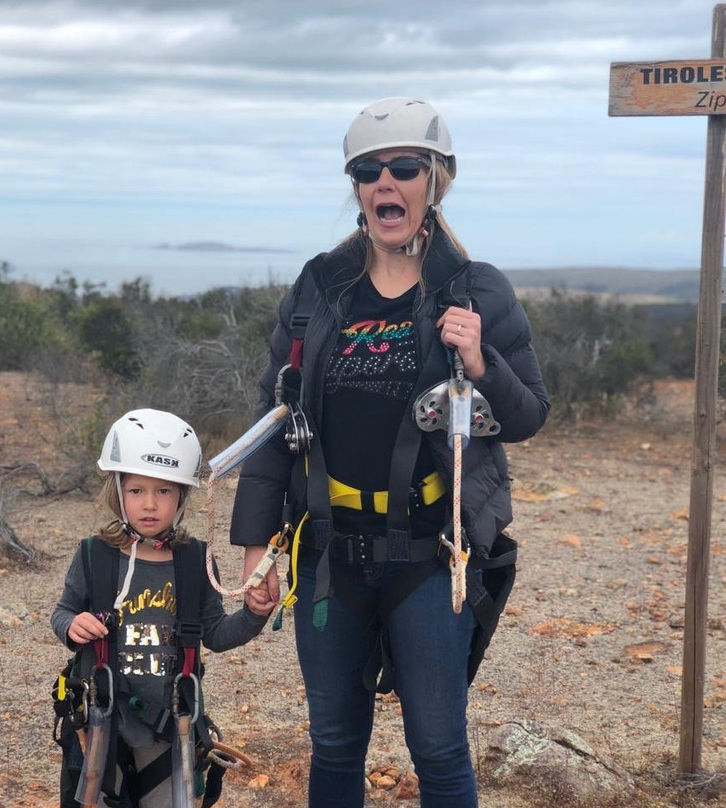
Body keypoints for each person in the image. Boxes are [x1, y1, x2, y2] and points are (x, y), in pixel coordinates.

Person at [230, 97, 550, 807]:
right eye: (368, 171)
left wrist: (482, 361)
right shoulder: (319, 288)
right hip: (329, 552)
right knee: (334, 744)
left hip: (432, 553)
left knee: (437, 746)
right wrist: (256, 548)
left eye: (404, 167)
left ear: (435, 180)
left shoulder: (476, 290)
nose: (385, 182)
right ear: (356, 188)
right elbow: (274, 417)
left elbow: (528, 414)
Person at [51, 408, 273, 807]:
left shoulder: (195, 560)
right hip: (102, 724)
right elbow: (62, 612)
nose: (150, 504)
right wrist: (72, 625)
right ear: (117, 491)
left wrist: (254, 614)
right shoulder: (94, 555)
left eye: (164, 491)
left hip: (170, 729)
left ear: (182, 496)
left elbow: (216, 634)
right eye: (136, 491)